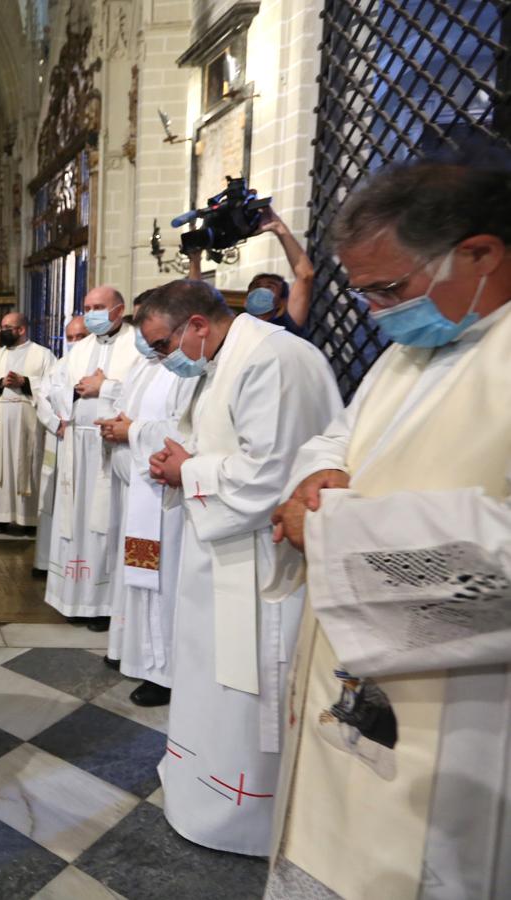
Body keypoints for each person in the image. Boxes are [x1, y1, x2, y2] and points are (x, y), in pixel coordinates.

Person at [265, 160, 511, 899]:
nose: (376, 311)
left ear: (480, 254)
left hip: (464, 713)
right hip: (349, 673)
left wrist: (334, 533)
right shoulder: (412, 352)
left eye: (390, 289)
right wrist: (313, 477)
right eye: (364, 292)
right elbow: (339, 438)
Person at [136, 278, 341, 855]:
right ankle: (201, 791)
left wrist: (188, 470)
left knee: (246, 687)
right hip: (218, 554)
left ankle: (246, 814)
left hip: (261, 563)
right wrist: (171, 460)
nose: (162, 359)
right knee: (208, 681)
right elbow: (197, 442)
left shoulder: (272, 359)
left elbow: (273, 474)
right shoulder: (216, 362)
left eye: (162, 345)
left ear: (196, 325)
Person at [96, 292, 198, 705]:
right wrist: (117, 425)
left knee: (161, 580)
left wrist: (131, 431)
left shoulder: (185, 370)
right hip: (137, 490)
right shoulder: (145, 365)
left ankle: (163, 669)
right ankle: (132, 650)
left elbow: (182, 430)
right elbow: (127, 409)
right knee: (137, 574)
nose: (143, 338)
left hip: (164, 496)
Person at [43, 286, 140, 631]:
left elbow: (150, 392)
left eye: (99, 307)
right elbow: (50, 388)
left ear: (119, 309)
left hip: (113, 450)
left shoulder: (138, 345)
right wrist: (70, 394)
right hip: (76, 448)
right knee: (76, 522)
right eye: (87, 307)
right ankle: (74, 598)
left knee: (105, 522)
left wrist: (107, 387)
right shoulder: (78, 348)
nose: (92, 313)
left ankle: (102, 604)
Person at [0, 312, 55, 534]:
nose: (2, 331)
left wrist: (26, 382)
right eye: (2, 326)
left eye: (7, 327)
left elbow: (52, 386)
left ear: (21, 329)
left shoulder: (42, 354)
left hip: (26, 418)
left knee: (27, 464)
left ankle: (28, 519)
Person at [33, 315, 88, 575]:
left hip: (88, 448)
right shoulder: (60, 365)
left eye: (81, 337)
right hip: (60, 440)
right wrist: (58, 423)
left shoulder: (105, 365)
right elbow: (42, 398)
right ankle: (48, 561)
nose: (75, 342)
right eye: (71, 337)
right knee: (54, 500)